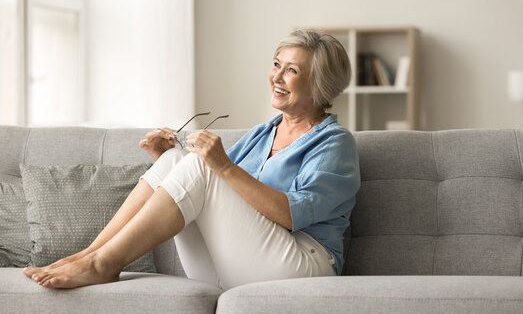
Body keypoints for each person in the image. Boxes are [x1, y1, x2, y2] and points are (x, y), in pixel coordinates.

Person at [22, 29, 361, 290]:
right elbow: (216, 199)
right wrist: (166, 159)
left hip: (303, 265)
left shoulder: (333, 142)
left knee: (201, 163)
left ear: (320, 84)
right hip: (239, 265)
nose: (276, 76)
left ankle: (103, 264)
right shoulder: (263, 132)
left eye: (291, 70)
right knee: (177, 160)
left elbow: (289, 215)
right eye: (276, 65)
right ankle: (88, 256)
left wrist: (221, 165)